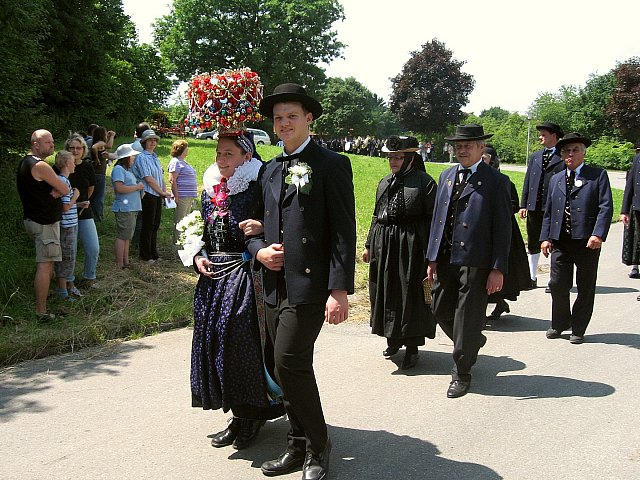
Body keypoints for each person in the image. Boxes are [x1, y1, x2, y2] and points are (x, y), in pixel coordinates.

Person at [248, 83, 356, 480]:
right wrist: (259, 249)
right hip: (275, 284)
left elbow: (344, 231)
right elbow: (257, 223)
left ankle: (316, 446)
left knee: (290, 362)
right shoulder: (270, 168)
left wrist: (339, 290)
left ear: (308, 119)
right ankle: (296, 444)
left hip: (311, 284)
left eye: (291, 116)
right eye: (278, 118)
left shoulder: (331, 163)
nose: (283, 123)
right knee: (282, 367)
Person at [191, 131, 284, 451]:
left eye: (229, 153)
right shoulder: (210, 192)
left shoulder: (257, 188)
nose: (221, 159)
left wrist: (263, 231)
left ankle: (254, 413)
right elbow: (200, 233)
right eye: (219, 153)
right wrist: (197, 255)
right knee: (217, 343)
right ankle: (238, 415)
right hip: (212, 278)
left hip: (245, 274)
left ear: (246, 156)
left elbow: (278, 222)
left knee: (242, 345)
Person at [426, 124, 512, 398]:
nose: (462, 150)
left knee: (466, 316)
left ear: (480, 148)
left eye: (468, 146)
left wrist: (497, 268)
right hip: (446, 257)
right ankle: (472, 340)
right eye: (458, 146)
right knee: (438, 307)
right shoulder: (447, 175)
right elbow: (438, 219)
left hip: (476, 259)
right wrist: (432, 257)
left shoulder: (496, 181)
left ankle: (461, 372)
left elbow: (503, 228)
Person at [362, 135, 437, 370]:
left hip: (412, 247)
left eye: (398, 157)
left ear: (411, 158)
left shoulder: (425, 183)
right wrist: (368, 245)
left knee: (409, 294)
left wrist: (431, 256)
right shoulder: (385, 182)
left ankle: (412, 346)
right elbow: (376, 215)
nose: (393, 161)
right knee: (385, 291)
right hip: (384, 246)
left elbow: (434, 221)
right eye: (391, 157)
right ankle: (392, 339)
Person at [541, 133, 613, 344]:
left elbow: (605, 207)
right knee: (557, 283)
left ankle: (578, 327)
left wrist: (598, 234)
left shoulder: (597, 175)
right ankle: (560, 322)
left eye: (575, 150)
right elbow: (549, 211)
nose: (570, 154)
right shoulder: (556, 179)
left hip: (587, 241)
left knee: (585, 285)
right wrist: (545, 237)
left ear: (583, 152)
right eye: (566, 151)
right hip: (561, 240)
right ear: (562, 155)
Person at [17, 129, 70, 320]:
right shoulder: (40, 166)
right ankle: (41, 312)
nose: (52, 145)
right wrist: (58, 188)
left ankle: (44, 299)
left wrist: (56, 188)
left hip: (33, 219)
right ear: (35, 144)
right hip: (44, 223)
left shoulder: (25, 162)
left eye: (53, 142)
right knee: (45, 265)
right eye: (47, 142)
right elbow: (65, 188)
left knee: (45, 264)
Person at [481, 146, 530, 321]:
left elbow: (514, 204)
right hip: (480, 233)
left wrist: (497, 210)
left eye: (484, 157)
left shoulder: (503, 181)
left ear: (492, 160)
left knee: (497, 271)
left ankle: (498, 302)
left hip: (502, 229)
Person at [519, 122, 565, 291]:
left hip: (553, 207)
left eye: (544, 134)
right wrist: (523, 204)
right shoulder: (536, 157)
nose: (540, 137)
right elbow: (528, 181)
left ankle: (554, 279)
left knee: (554, 241)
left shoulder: (562, 157)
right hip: (534, 207)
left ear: (554, 136)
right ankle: (532, 276)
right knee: (533, 241)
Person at [66, 134, 100, 290]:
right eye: (71, 148)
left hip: (85, 212)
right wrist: (74, 203)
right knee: (69, 250)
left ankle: (89, 277)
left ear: (83, 150)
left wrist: (84, 200)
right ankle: (68, 280)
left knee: (93, 247)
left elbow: (91, 187)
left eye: (78, 148)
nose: (75, 151)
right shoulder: (60, 166)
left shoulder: (87, 166)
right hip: (66, 214)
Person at [131, 129, 171, 263]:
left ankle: (154, 253)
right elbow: (148, 178)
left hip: (157, 194)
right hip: (148, 194)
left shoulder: (155, 157)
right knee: (148, 225)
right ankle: (145, 255)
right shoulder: (142, 157)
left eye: (154, 140)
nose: (153, 142)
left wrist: (164, 192)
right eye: (150, 140)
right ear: (144, 142)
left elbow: (159, 177)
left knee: (155, 225)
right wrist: (161, 192)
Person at [53, 151, 80, 301]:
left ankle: (68, 286)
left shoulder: (64, 180)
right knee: (66, 256)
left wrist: (79, 203)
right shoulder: (63, 181)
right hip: (67, 225)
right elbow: (64, 207)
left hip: (71, 224)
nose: (75, 164)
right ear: (65, 164)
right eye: (72, 161)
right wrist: (76, 196)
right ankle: (62, 290)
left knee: (71, 255)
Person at [111, 144, 144, 269]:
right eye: (132, 156)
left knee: (127, 236)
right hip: (125, 208)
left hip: (132, 207)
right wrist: (138, 187)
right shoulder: (118, 169)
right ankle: (120, 263)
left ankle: (126, 261)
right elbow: (120, 188)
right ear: (126, 157)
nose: (134, 158)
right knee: (123, 236)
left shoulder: (127, 170)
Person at [168, 139, 197, 247]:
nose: (188, 150)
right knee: (180, 221)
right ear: (181, 149)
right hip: (182, 196)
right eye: (186, 148)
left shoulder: (183, 162)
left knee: (186, 220)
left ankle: (183, 243)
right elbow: (172, 180)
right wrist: (176, 196)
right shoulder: (175, 162)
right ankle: (177, 245)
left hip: (188, 196)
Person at [621, 144, 640, 279]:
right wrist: (624, 210)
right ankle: (635, 266)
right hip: (638, 207)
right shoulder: (637, 159)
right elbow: (630, 184)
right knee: (637, 240)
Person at [89, 126, 116, 221]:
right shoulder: (100, 143)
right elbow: (108, 146)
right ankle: (97, 217)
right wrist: (112, 136)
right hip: (99, 174)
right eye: (105, 134)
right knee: (98, 197)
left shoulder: (98, 143)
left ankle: (93, 216)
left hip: (96, 173)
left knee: (94, 196)